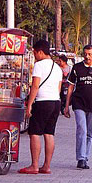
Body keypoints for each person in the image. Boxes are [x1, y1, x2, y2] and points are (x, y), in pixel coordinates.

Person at [18, 40, 63, 175]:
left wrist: (29, 105)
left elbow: (35, 86)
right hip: (55, 102)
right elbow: (59, 88)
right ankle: (46, 166)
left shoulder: (39, 65)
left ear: (40, 52)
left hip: (43, 102)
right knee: (49, 133)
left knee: (35, 133)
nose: (34, 55)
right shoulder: (57, 67)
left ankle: (34, 165)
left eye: (35, 53)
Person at [63, 45, 92, 170]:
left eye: (89, 54)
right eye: (85, 54)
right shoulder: (77, 68)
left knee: (90, 132)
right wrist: (67, 106)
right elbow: (70, 87)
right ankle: (81, 158)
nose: (87, 56)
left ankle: (86, 156)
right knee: (81, 129)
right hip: (79, 103)